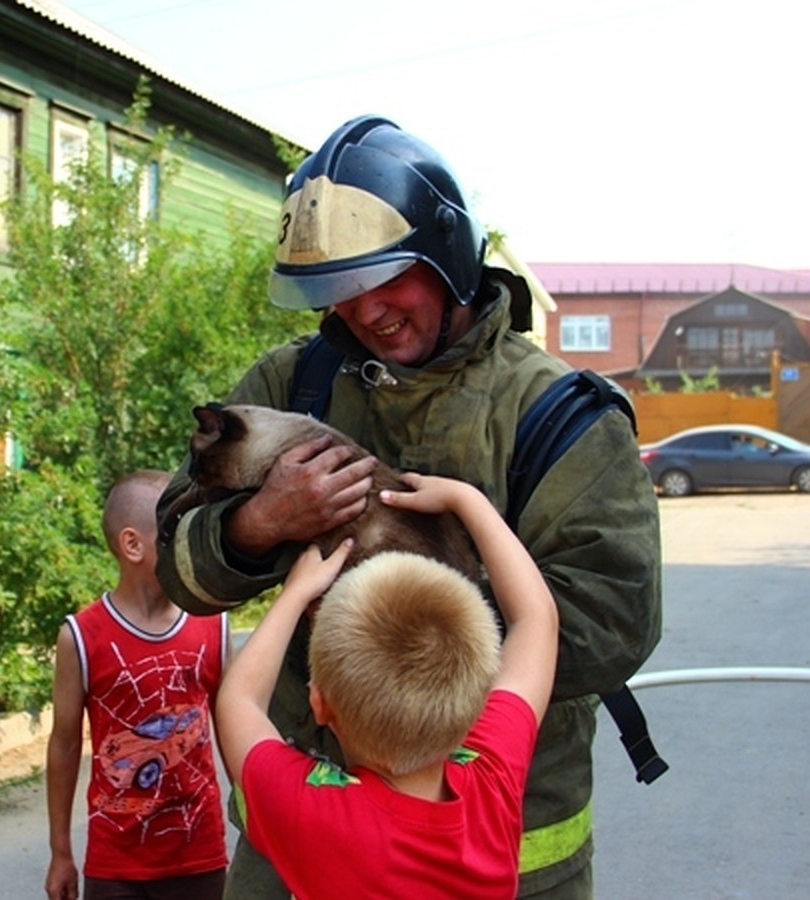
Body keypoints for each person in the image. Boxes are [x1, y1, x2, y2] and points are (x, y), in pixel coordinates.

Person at [155, 115, 663, 898]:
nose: (365, 311)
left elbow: (611, 622)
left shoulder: (560, 416)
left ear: (448, 255)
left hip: (516, 855)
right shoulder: (289, 389)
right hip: (294, 863)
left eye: (387, 279)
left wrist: (392, 629)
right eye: (340, 292)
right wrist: (260, 525)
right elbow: (176, 566)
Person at [217, 472, 559, 899]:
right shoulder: (491, 777)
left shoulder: (313, 813)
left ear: (319, 703)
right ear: (476, 703)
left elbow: (238, 701)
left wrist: (297, 593)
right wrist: (467, 499)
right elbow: (536, 619)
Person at [45, 470, 230, 900]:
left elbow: (232, 727)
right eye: (175, 532)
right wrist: (60, 852)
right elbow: (65, 745)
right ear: (133, 545)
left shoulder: (212, 624)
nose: (188, 545)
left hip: (199, 855)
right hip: (116, 865)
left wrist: (256, 810)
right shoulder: (81, 637)